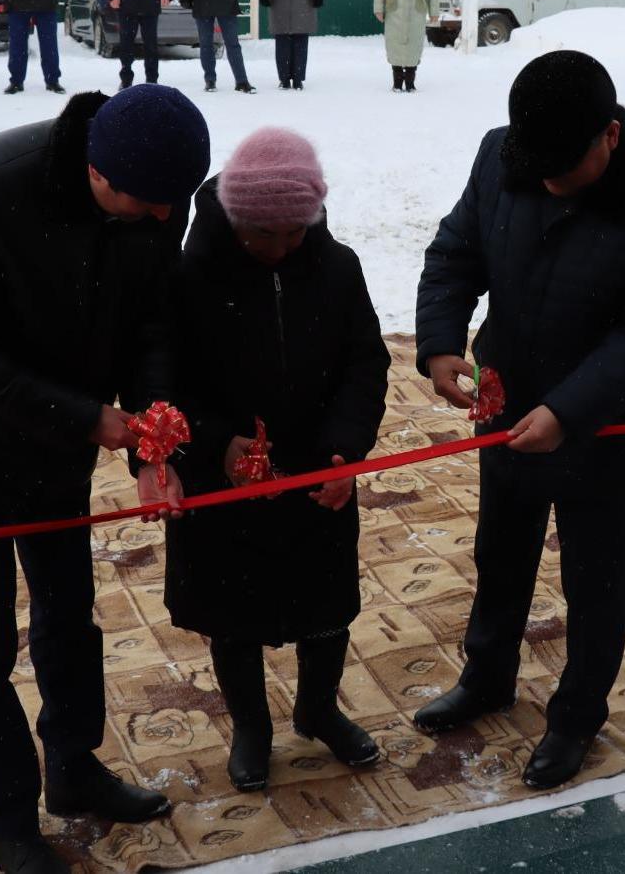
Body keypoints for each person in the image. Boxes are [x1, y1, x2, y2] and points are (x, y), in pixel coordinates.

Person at [0, 85, 211, 874]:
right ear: (97, 172)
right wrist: (89, 418)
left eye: (165, 209)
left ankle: (74, 771)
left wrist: (151, 436)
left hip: (55, 452)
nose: (159, 222)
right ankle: (8, 814)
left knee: (69, 618)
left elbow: (152, 323)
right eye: (145, 206)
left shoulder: (154, 198)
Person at [414, 50, 625, 789]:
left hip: (602, 428)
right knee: (500, 556)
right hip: (507, 406)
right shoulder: (501, 154)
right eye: (534, 165)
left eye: (561, 168)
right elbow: (456, 254)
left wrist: (569, 410)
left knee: (595, 579)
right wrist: (442, 344)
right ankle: (487, 677)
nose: (545, 182)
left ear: (609, 136)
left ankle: (577, 715)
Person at [165, 128, 389, 792]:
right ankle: (251, 727)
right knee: (232, 618)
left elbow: (365, 363)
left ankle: (317, 711)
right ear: (237, 222)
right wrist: (215, 444)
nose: (285, 246)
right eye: (269, 234)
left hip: (317, 471)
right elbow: (166, 380)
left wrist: (344, 451)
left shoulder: (337, 267)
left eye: (298, 231)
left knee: (326, 608)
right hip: (225, 479)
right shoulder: (188, 278)